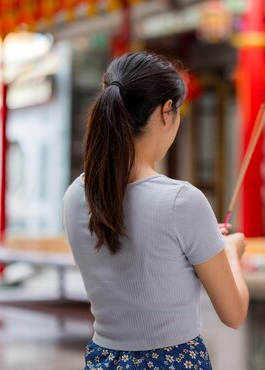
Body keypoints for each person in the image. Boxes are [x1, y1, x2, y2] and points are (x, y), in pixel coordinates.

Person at [63, 52, 249, 370]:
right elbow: (233, 314)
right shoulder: (182, 201)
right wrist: (230, 252)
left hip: (103, 361)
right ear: (165, 112)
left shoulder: (76, 195)